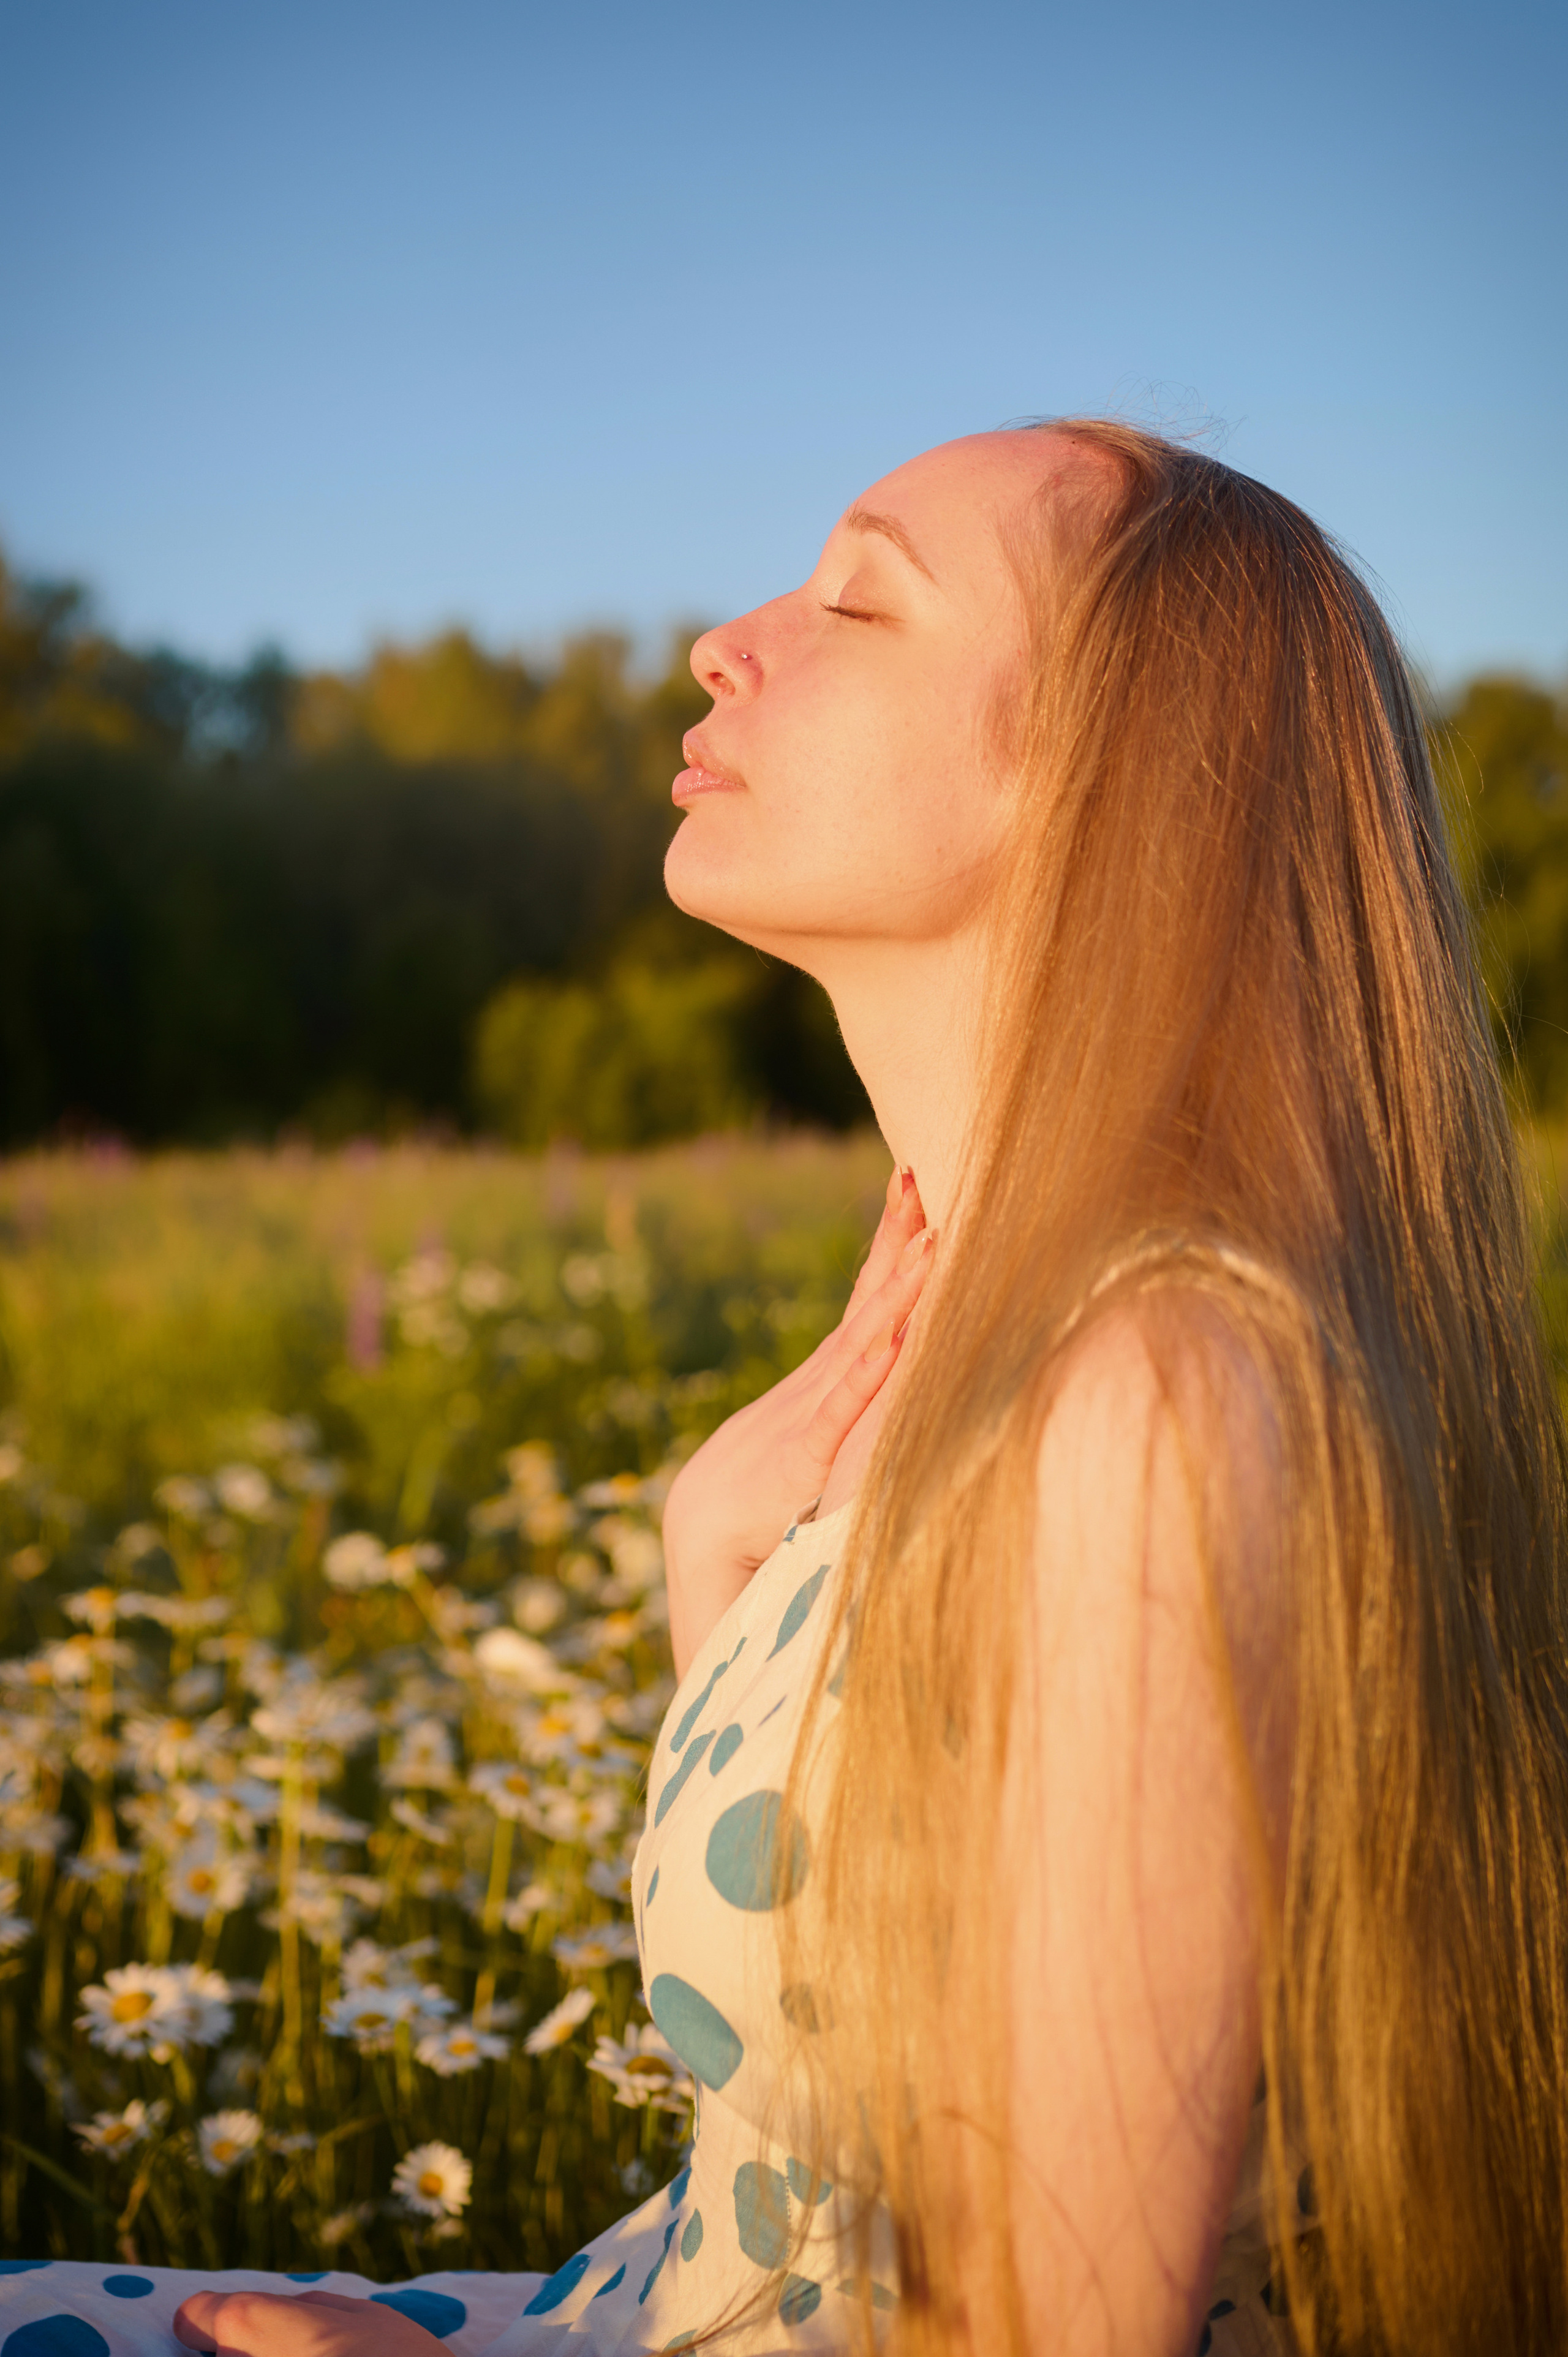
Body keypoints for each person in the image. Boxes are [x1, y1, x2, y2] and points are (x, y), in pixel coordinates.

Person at [7, 418, 1568, 2357]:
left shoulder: (1168, 1402)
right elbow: (817, 2144)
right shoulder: (1021, 1370)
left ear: (1110, 782)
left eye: (856, 598)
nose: (721, 644)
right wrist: (723, 1552)